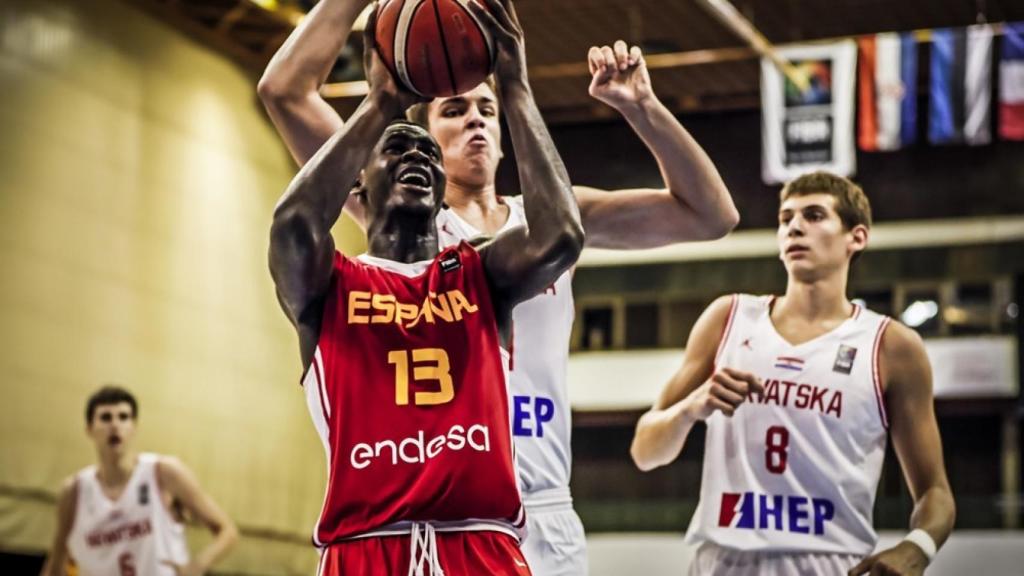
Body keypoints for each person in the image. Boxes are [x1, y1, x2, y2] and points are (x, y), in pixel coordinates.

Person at [257, 1, 739, 572]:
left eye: (487, 108)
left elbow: (711, 216)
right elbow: (284, 92)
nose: (476, 120)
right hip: (425, 498)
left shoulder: (547, 225)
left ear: (510, 135)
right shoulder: (404, 217)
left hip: (537, 502)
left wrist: (644, 108)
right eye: (455, 109)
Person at [266, 1, 582, 573]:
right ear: (359, 180)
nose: (418, 155)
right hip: (365, 544)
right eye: (399, 148)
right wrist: (380, 104)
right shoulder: (330, 285)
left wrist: (516, 87)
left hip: (480, 542)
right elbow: (292, 225)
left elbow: (560, 236)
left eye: (430, 155)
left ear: (442, 196)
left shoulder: (480, 275)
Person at [630, 172, 956, 576]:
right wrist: (692, 408)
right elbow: (644, 451)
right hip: (724, 560)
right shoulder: (728, 318)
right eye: (786, 218)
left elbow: (935, 492)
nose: (795, 227)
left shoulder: (890, 346)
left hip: (832, 564)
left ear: (856, 237)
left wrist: (918, 548)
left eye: (815, 215)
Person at [40, 386, 238, 576]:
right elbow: (56, 564)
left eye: (123, 417)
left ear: (134, 427)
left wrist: (197, 565)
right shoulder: (74, 491)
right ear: (89, 429)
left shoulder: (163, 472)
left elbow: (227, 531)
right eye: (106, 417)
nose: (115, 425)